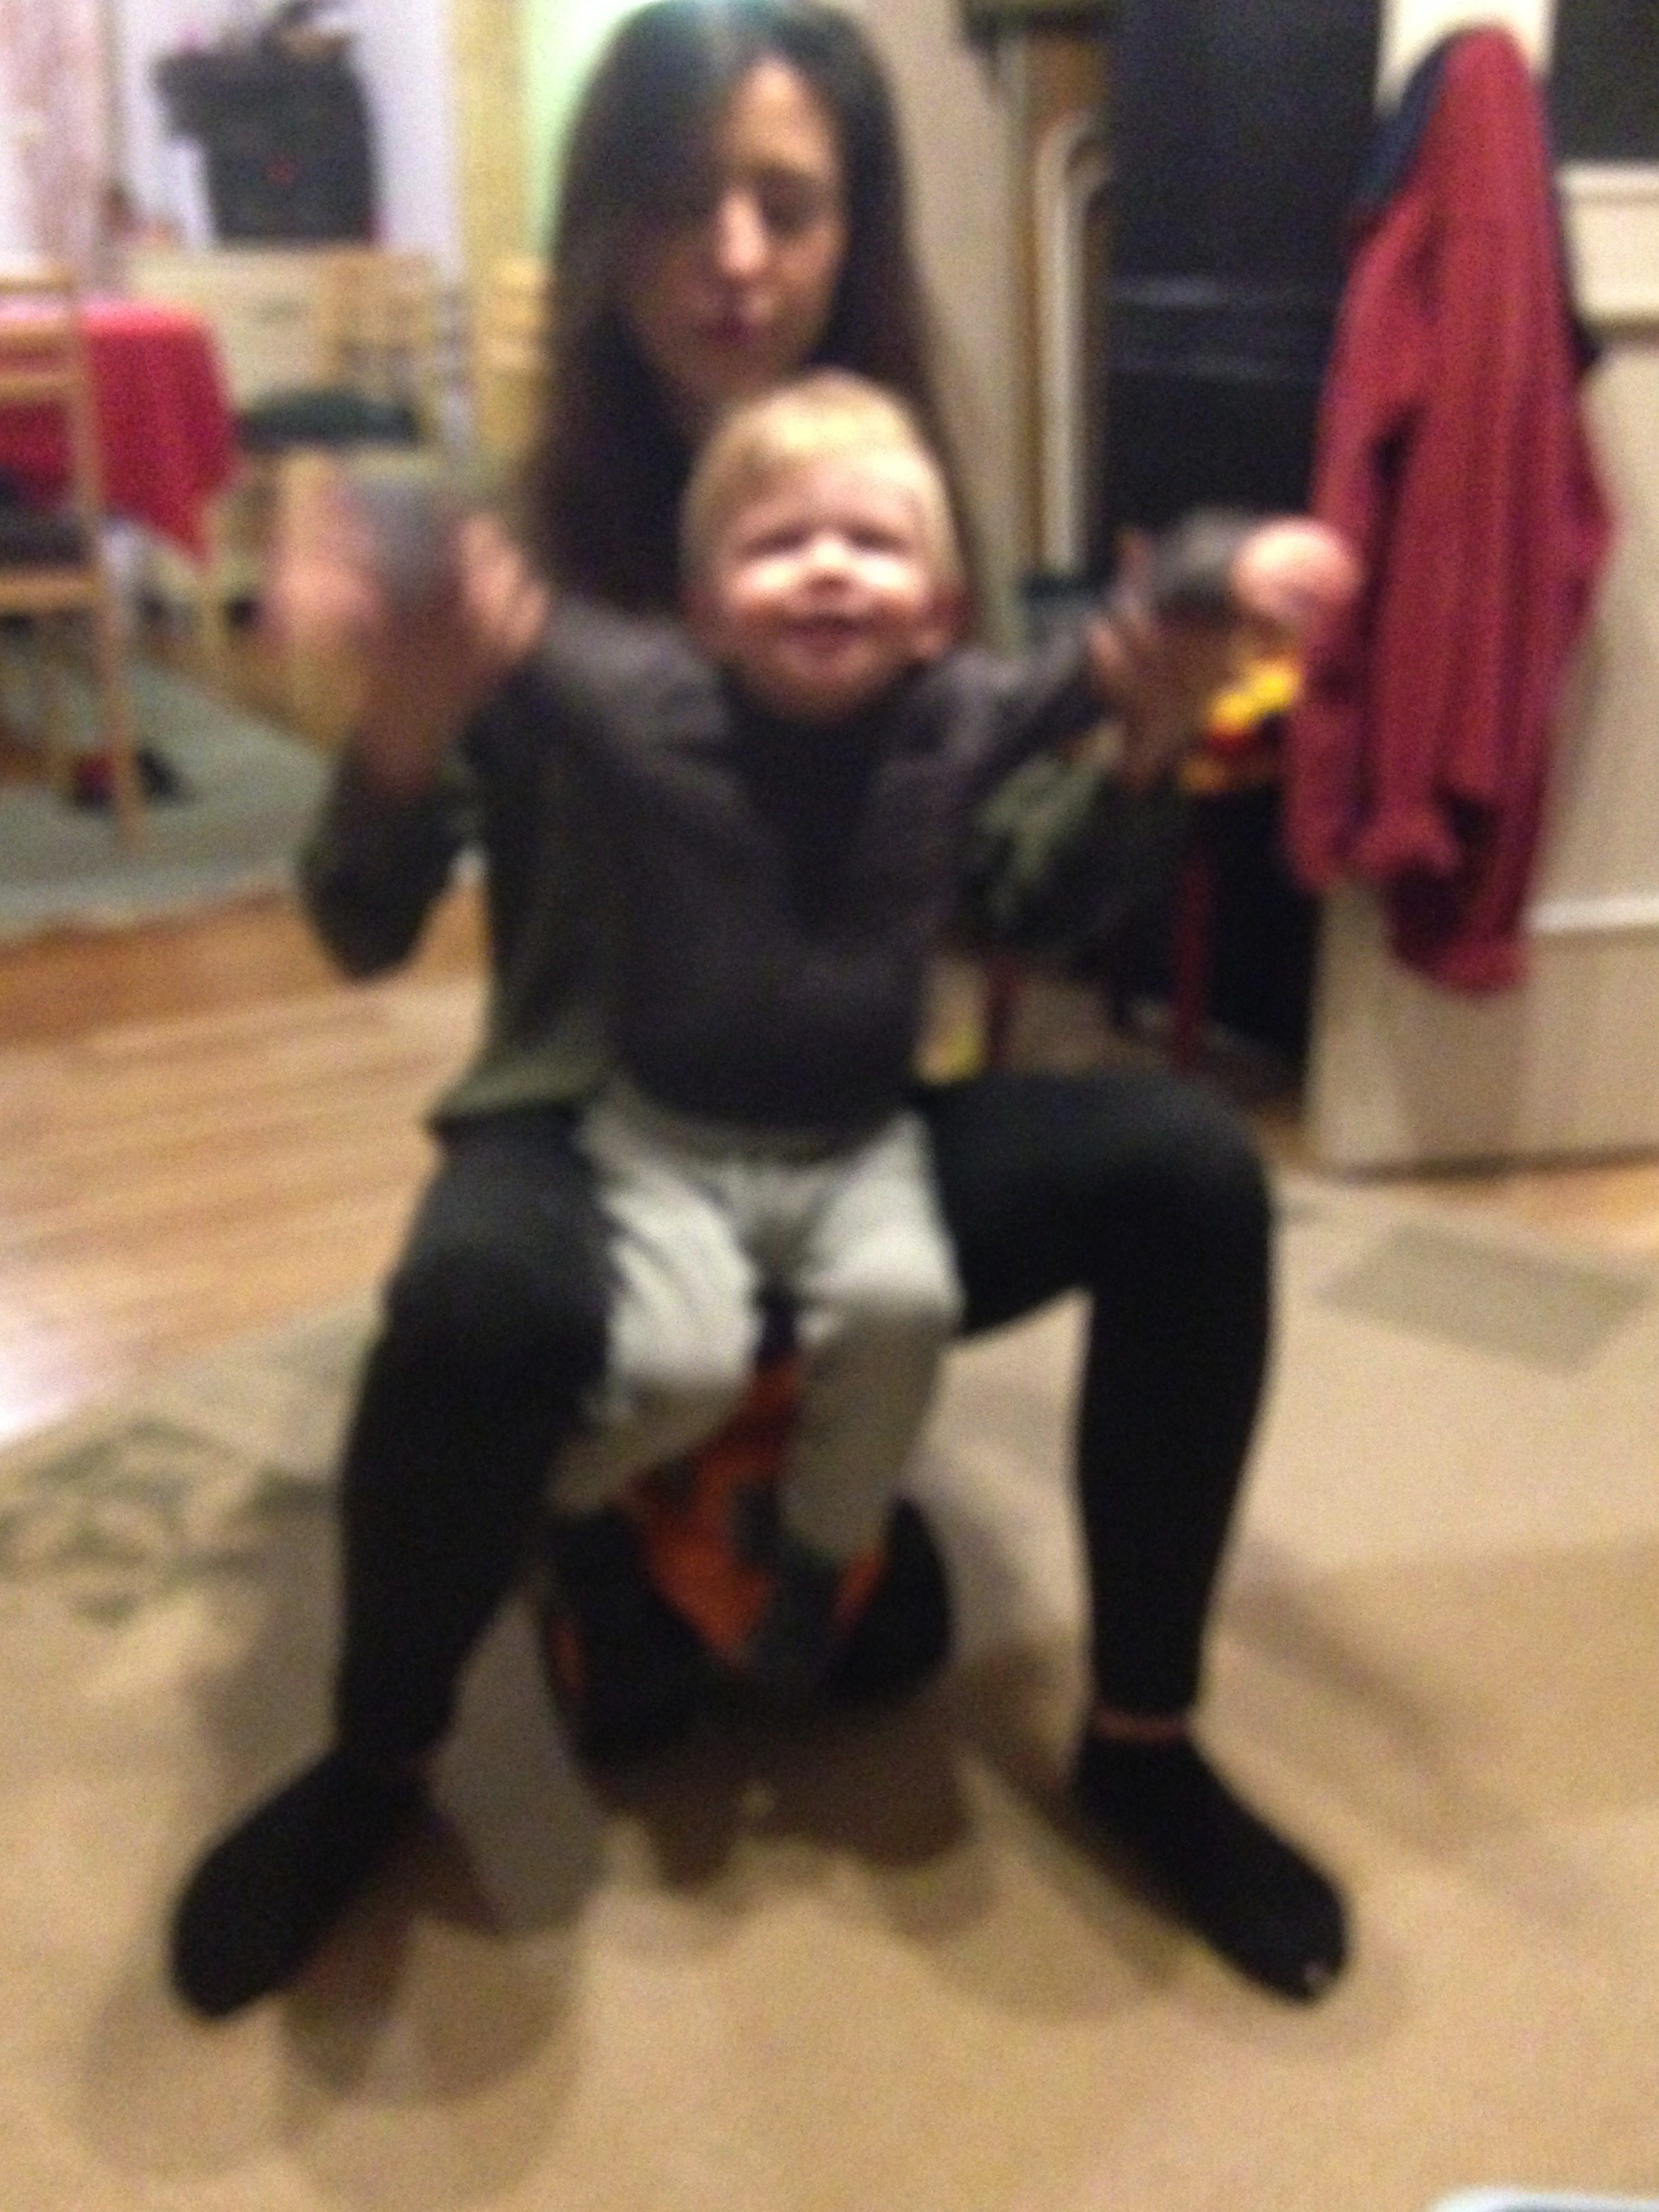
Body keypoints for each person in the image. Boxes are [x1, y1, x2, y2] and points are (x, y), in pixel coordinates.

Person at [168, 0, 1354, 2021]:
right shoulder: (516, 553)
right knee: (477, 1307)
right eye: (676, 201)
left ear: (849, 229)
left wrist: (1147, 754)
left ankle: (1142, 1738)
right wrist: (395, 736)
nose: (733, 258)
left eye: (786, 206)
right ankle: (380, 1752)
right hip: (589, 1128)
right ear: (603, 231)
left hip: (850, 1130)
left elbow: (1015, 898)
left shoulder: (889, 515)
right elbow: (360, 932)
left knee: (1186, 1171)